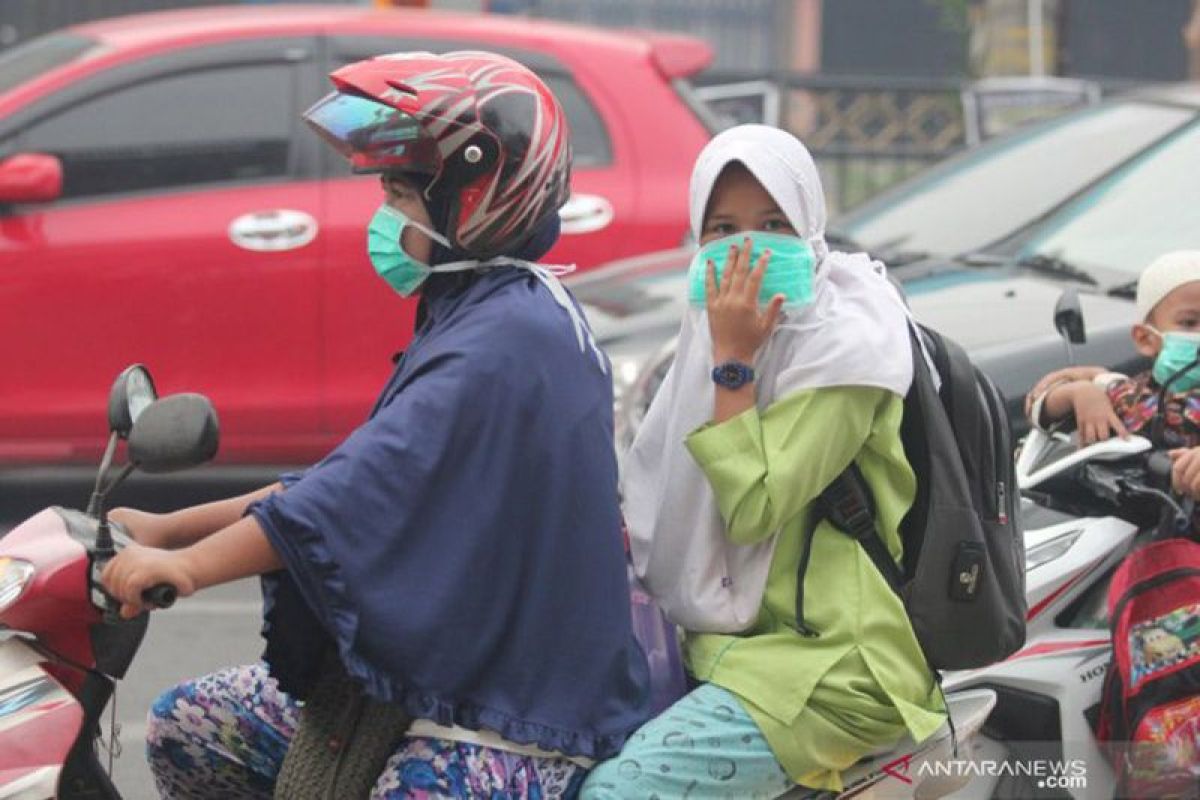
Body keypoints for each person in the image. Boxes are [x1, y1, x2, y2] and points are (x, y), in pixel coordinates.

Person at [101, 50, 653, 799]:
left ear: (479, 196)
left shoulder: (510, 340)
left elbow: (350, 498)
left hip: (517, 711)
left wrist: (190, 568)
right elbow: (347, 481)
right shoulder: (475, 313)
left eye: (401, 197)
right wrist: (167, 531)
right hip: (447, 670)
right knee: (191, 725)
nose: (385, 220)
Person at [581, 125, 947, 799]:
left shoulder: (847, 352)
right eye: (721, 228)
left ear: (809, 229)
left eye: (772, 223)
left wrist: (735, 366)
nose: (745, 248)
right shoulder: (703, 339)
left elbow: (751, 509)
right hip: (731, 649)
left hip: (831, 669)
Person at [1026, 251, 1200, 498]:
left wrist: (1101, 382)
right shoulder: (1137, 389)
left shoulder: (1126, 394)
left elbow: (1162, 417)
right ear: (1146, 338)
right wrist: (1079, 393)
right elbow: (1038, 404)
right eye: (1190, 323)